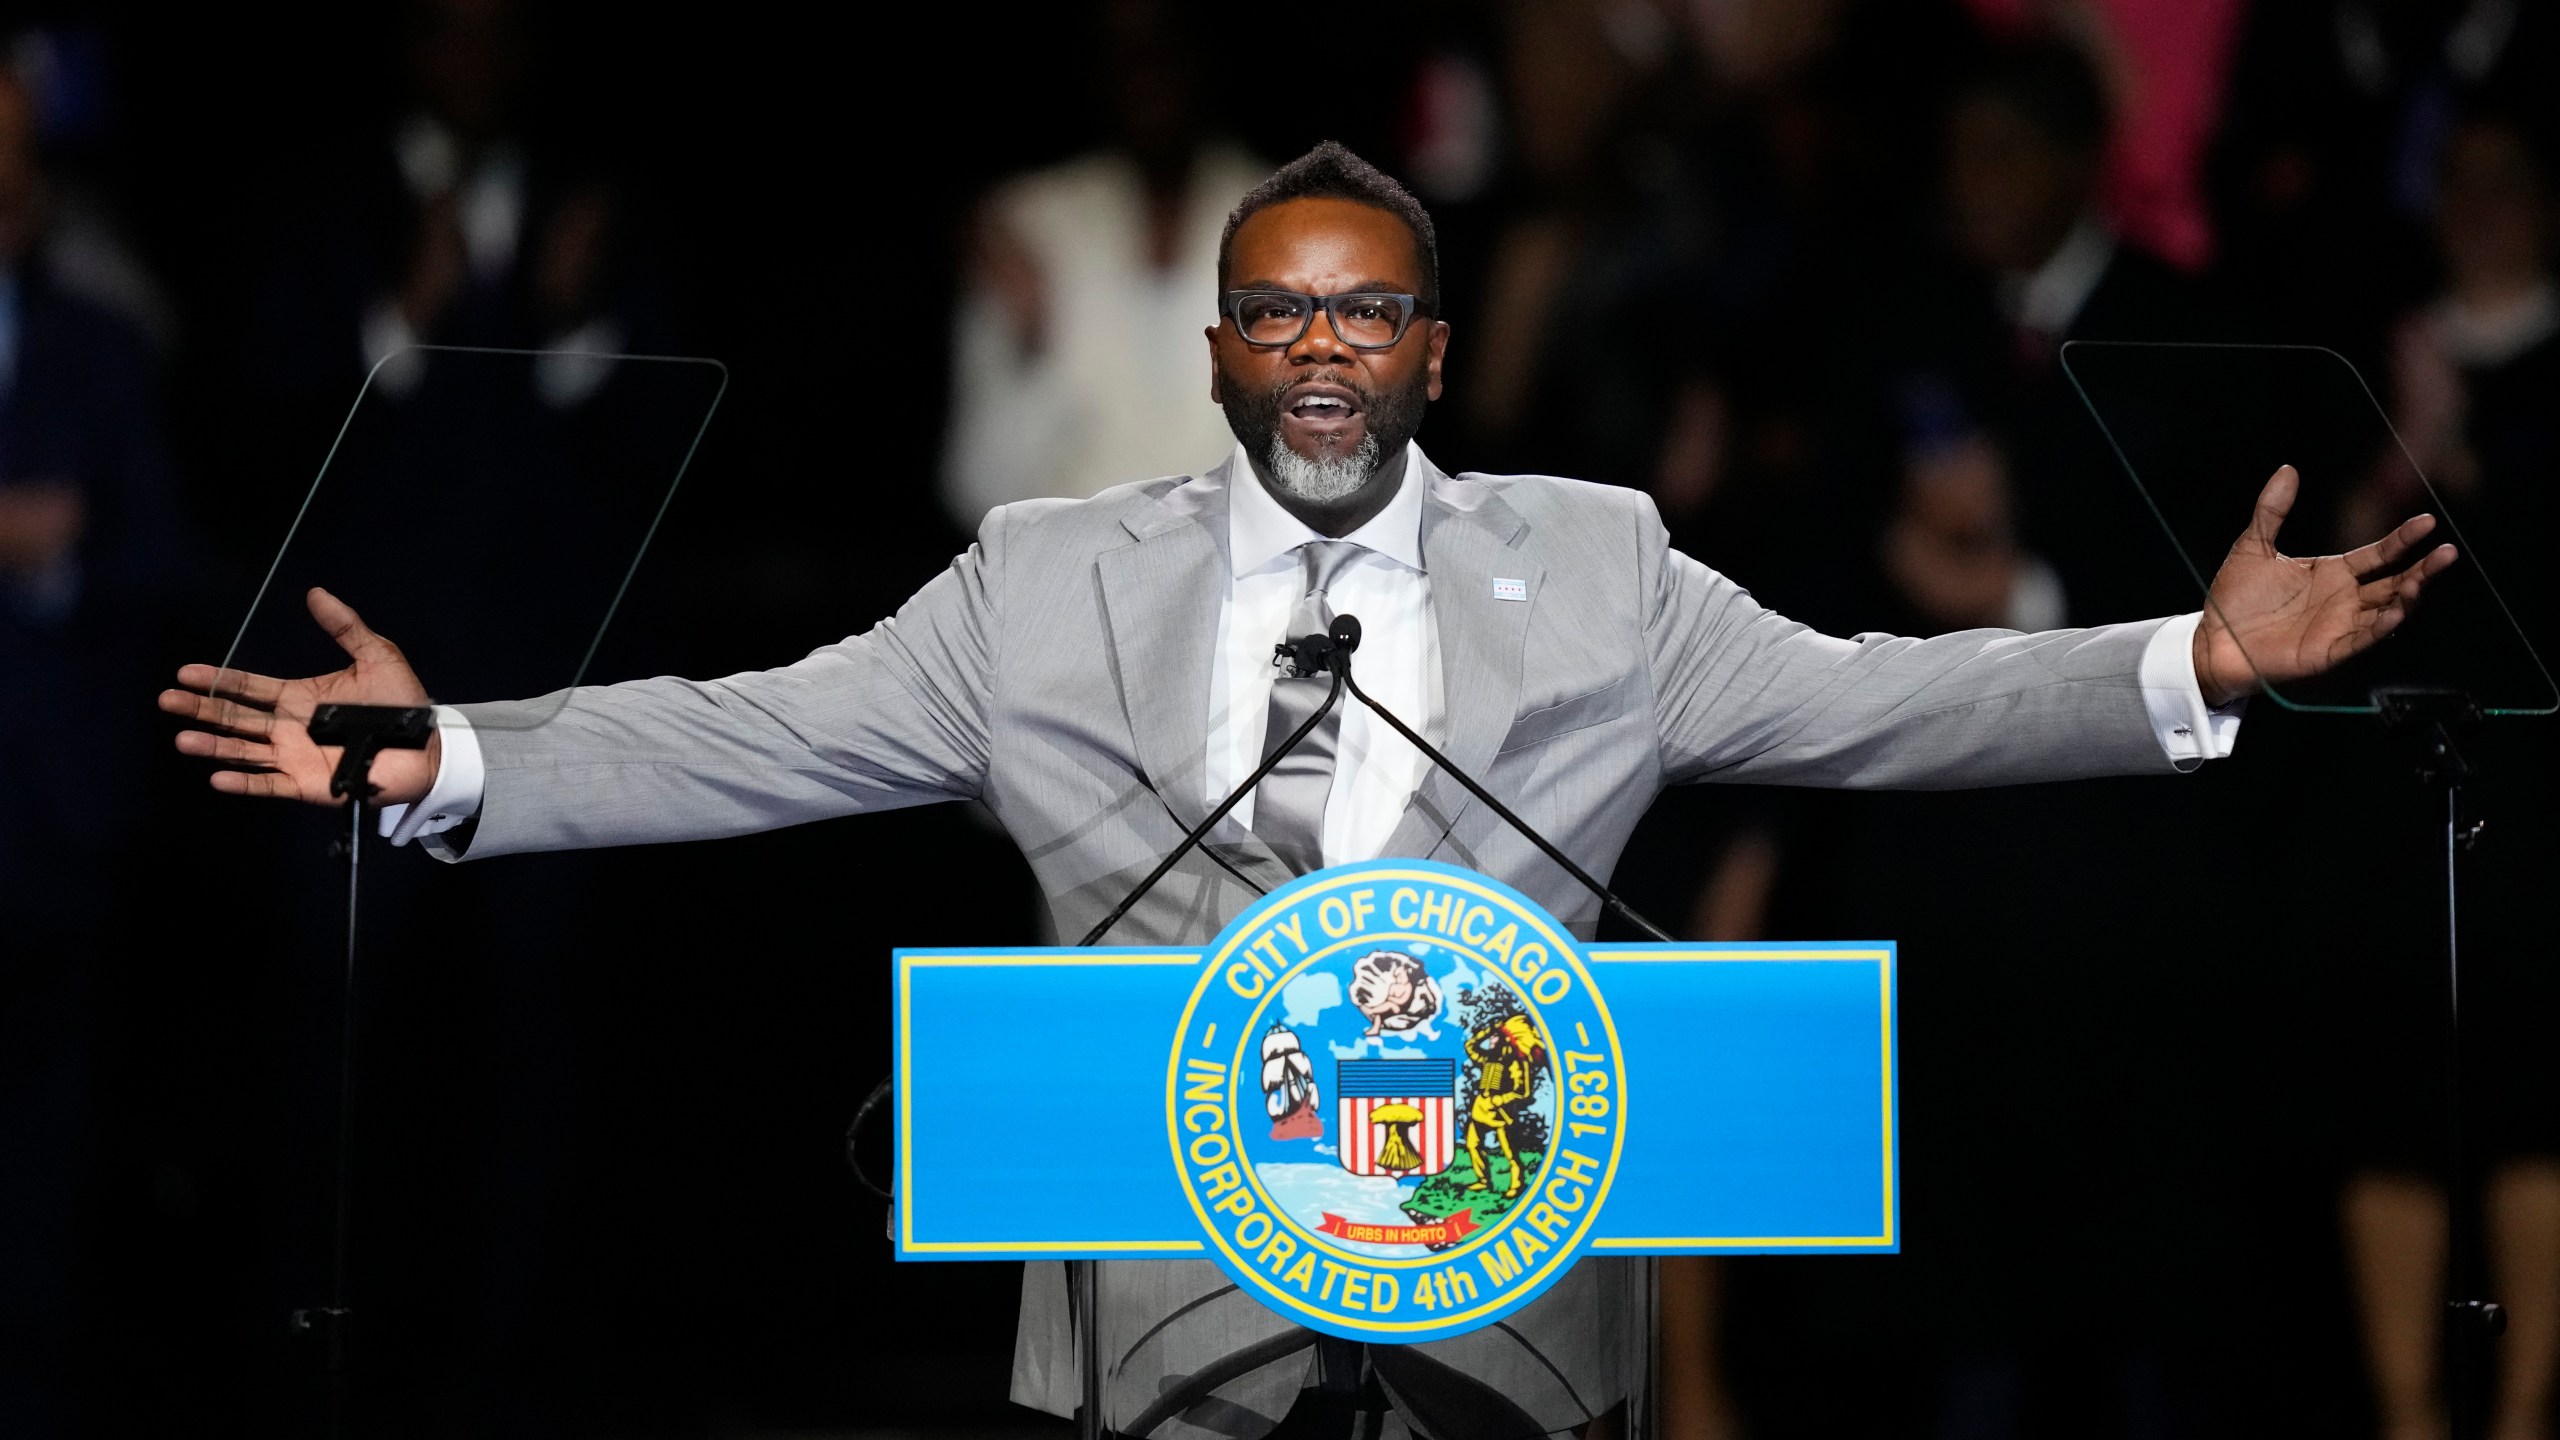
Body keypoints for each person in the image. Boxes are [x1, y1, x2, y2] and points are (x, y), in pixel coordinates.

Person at [162, 142, 2454, 1440]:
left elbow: (1881, 702)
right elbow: (755, 729)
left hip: (1512, 1307)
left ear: (1431, 354)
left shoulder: (1605, 563)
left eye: (1367, 312)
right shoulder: (1042, 583)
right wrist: (450, 748)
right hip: (1163, 1307)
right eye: (1280, 311)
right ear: (1220, 352)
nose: (1324, 349)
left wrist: (2189, 658)